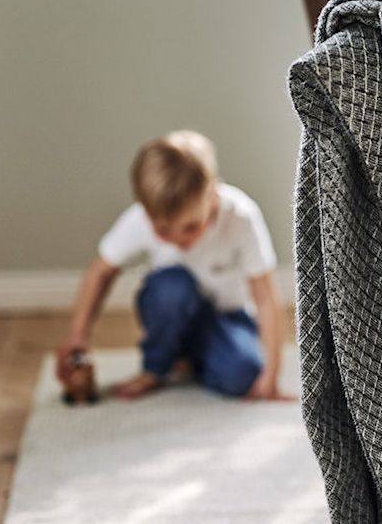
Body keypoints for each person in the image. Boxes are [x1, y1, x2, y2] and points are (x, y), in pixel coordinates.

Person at [56, 130, 290, 401]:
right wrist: (78, 335)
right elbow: (100, 273)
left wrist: (271, 376)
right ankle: (157, 366)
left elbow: (265, 297)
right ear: (145, 210)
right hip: (170, 310)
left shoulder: (240, 216)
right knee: (172, 288)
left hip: (227, 319)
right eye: (164, 230)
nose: (179, 241)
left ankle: (189, 358)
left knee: (243, 374)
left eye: (190, 227)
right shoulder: (140, 219)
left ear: (212, 195)